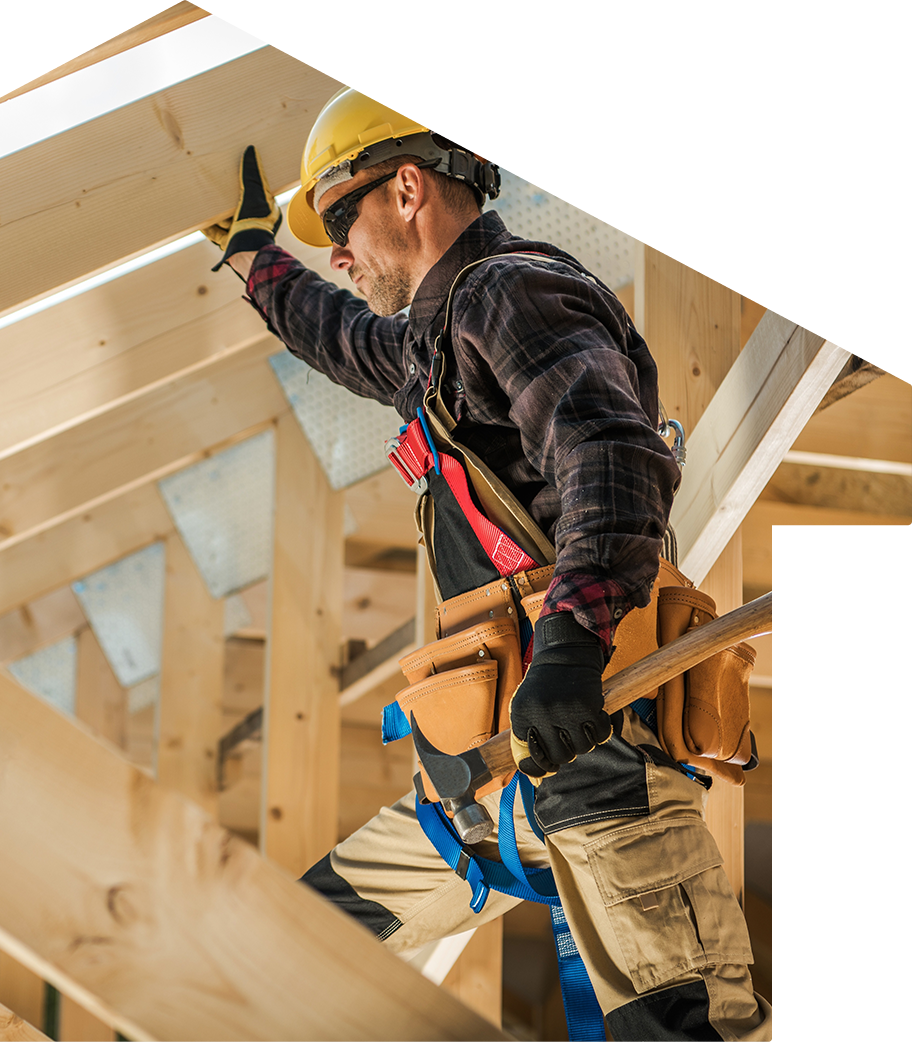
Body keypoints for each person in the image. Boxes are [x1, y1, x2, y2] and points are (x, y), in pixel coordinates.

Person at [205, 89, 771, 1041]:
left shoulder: (509, 292)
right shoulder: (434, 343)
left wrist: (569, 650)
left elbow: (612, 458)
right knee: (282, 945)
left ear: (410, 189)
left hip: (598, 771)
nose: (336, 253)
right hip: (487, 788)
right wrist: (256, 259)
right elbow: (339, 336)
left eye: (340, 220)